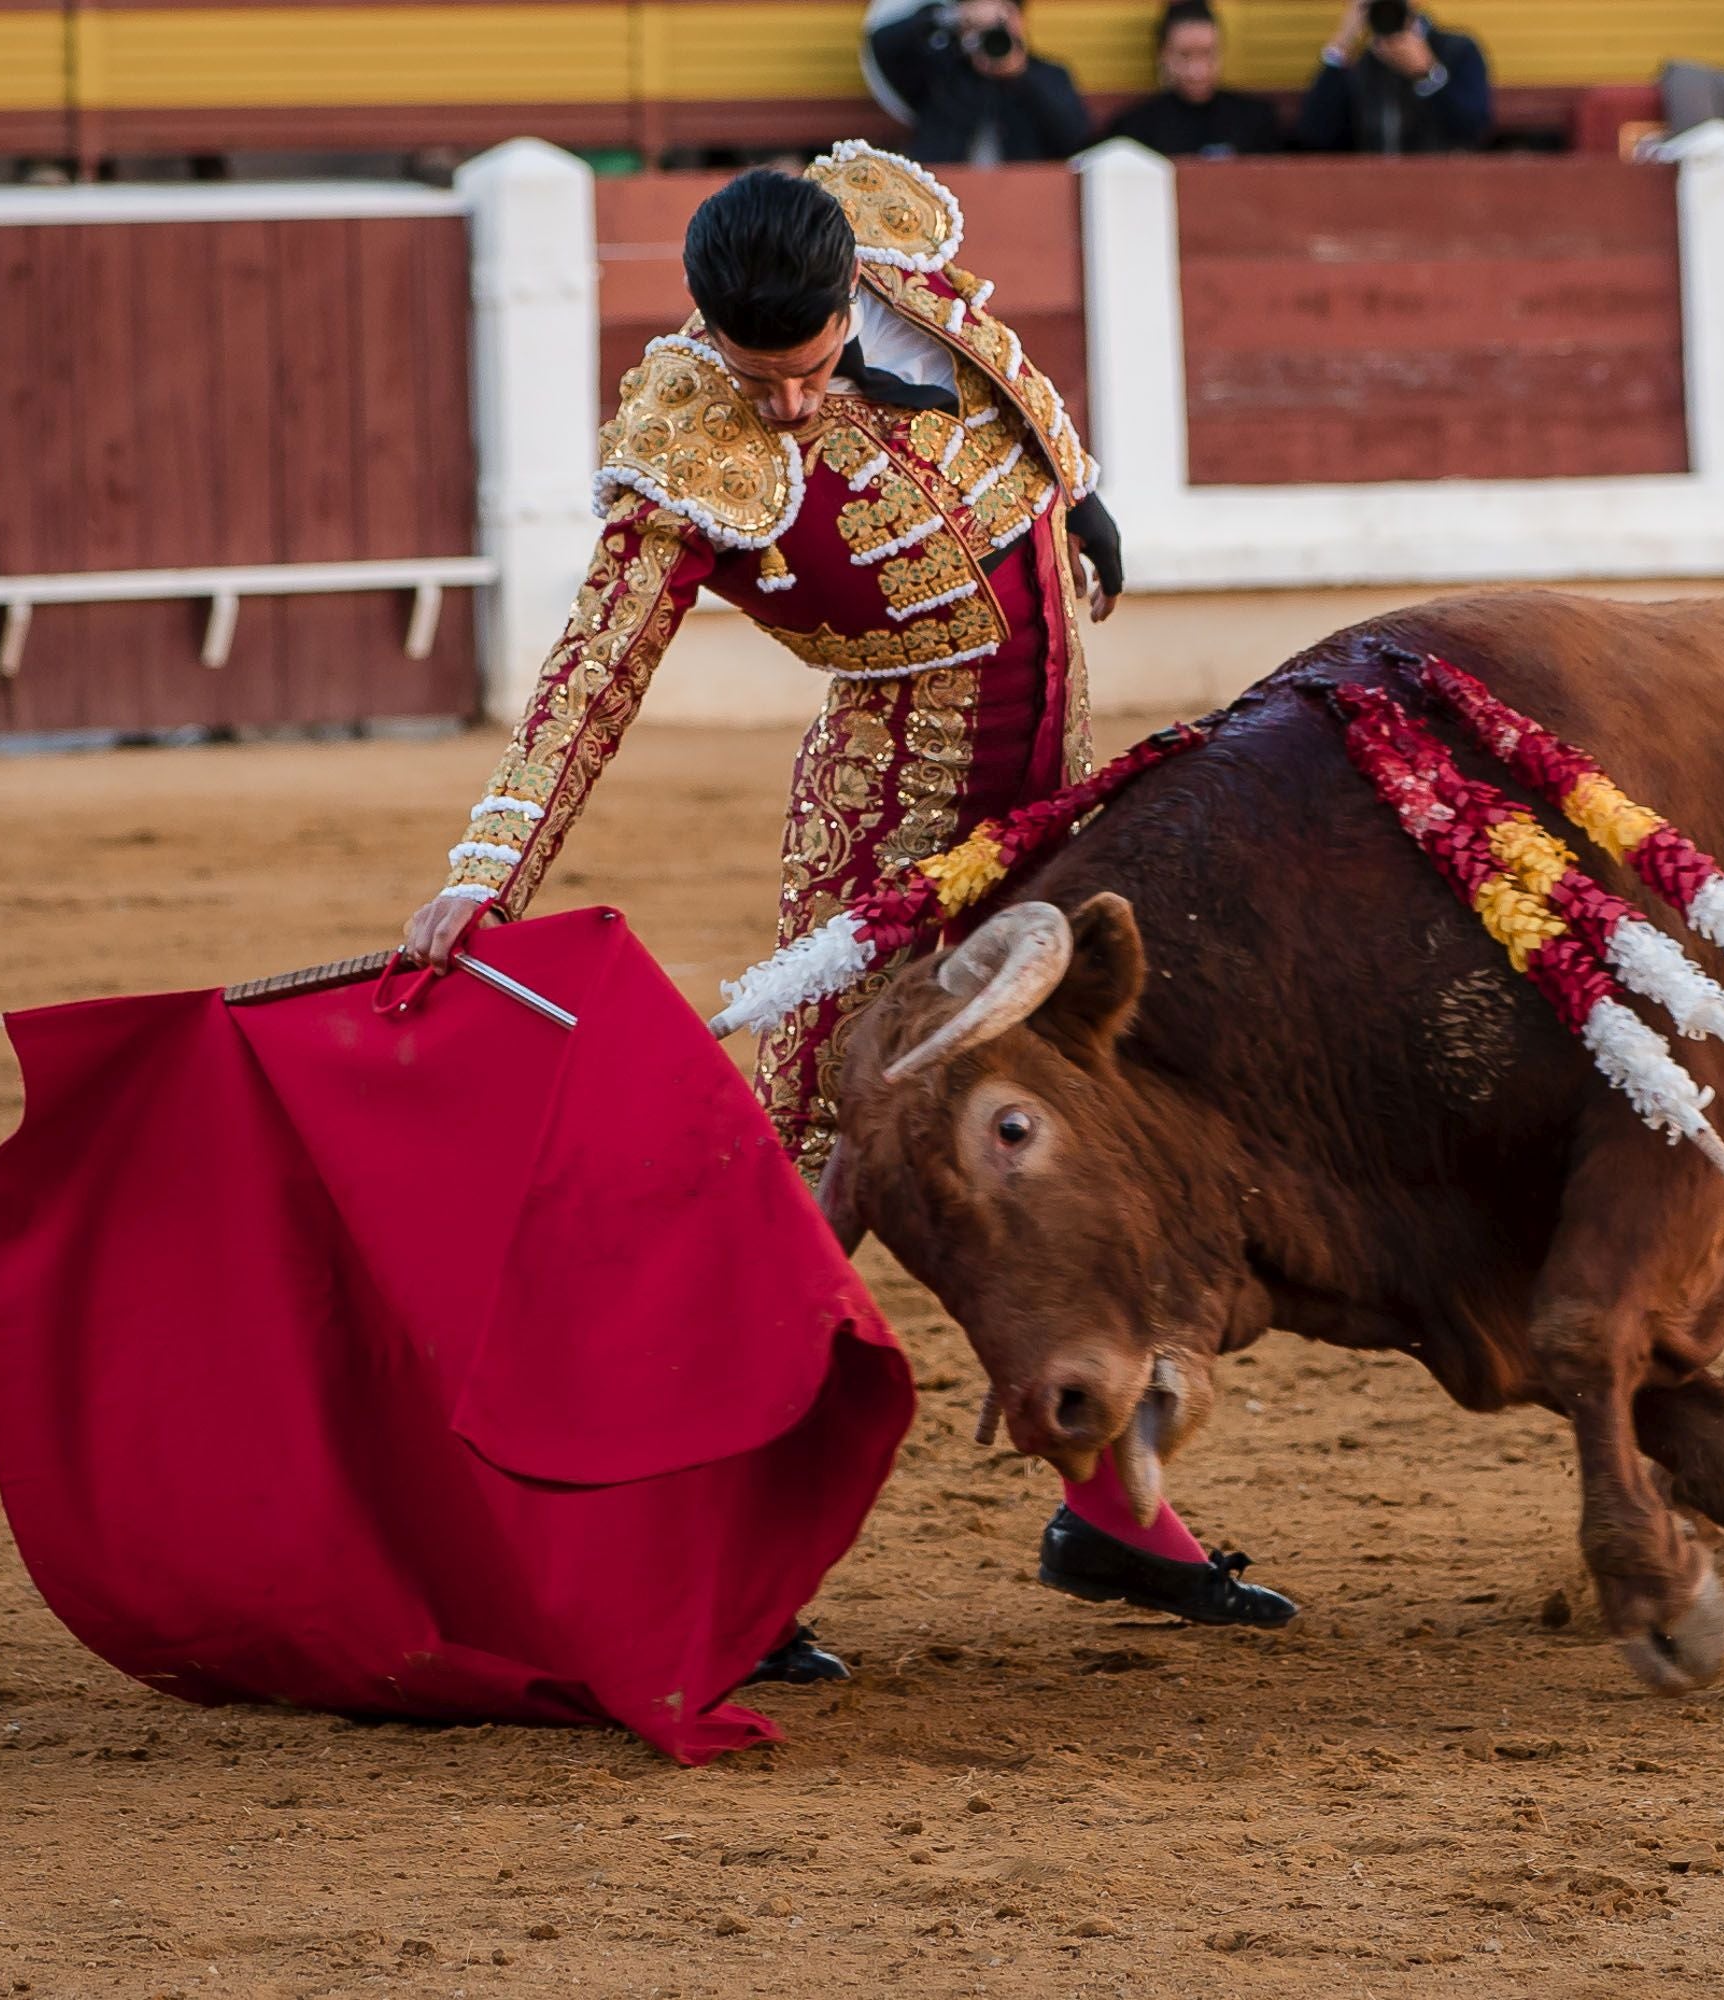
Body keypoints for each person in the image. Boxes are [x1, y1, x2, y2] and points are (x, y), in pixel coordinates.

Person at [402, 151, 1297, 1664]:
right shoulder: (689, 440)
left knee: (1065, 1152)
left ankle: (1114, 1518)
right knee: (811, 1182)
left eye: (808, 370)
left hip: (1049, 818)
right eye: (758, 382)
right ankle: (726, 1569)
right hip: (882, 840)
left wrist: (1076, 506)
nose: (792, 409)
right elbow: (591, 673)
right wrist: (485, 874)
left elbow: (1010, 402)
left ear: (850, 300)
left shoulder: (903, 270)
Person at [868, 0, 1093, 165]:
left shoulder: (1047, 75)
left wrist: (1020, 74)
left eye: (1003, 19)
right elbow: (882, 44)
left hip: (1023, 197)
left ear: (1020, 21)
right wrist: (952, 17)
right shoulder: (941, 70)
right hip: (946, 194)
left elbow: (1075, 138)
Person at [1297, 0, 1493, 155]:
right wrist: (1342, 45)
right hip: (1374, 188)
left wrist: (1428, 75)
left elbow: (1472, 127)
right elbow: (1316, 133)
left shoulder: (1456, 50)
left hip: (1440, 187)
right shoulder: (1360, 65)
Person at [1103, 0, 1283, 159]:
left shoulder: (1256, 120)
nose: (1197, 70)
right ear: (1163, 55)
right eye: (1184, 55)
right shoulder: (1136, 127)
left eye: (1207, 54)